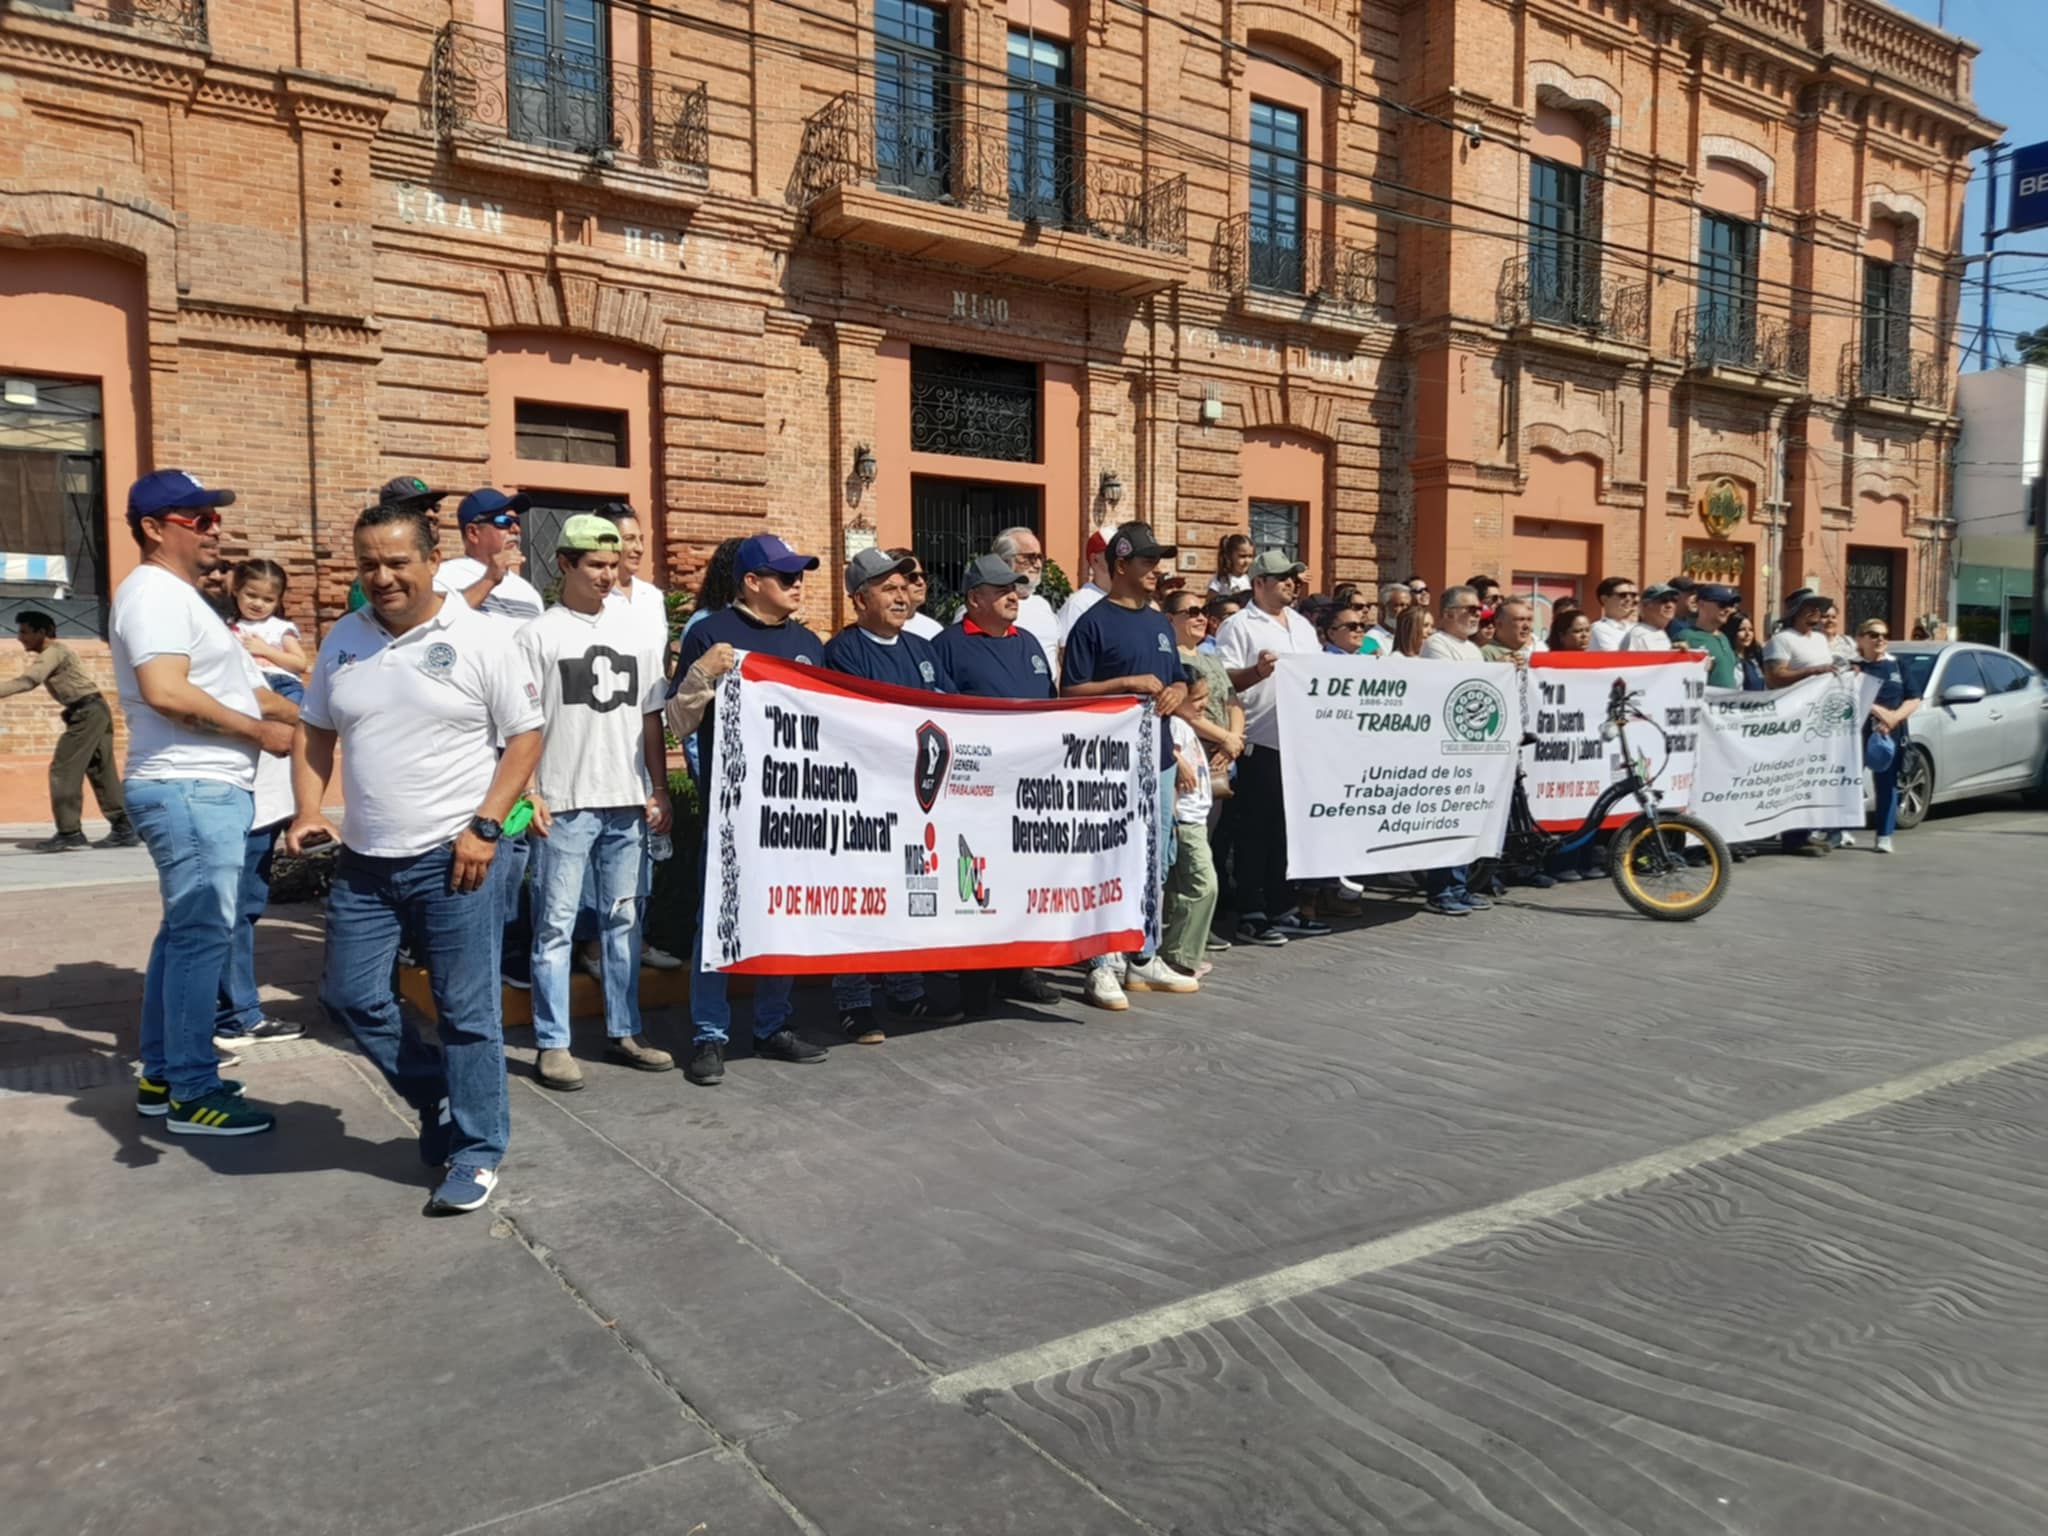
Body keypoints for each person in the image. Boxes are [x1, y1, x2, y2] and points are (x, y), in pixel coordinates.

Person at [290, 501, 541, 1213]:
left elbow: (525, 736)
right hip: (367, 861)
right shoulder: (345, 635)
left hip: (455, 856)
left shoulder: (481, 638)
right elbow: (314, 732)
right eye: (369, 564)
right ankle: (437, 1091)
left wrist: (486, 827)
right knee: (349, 995)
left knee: (467, 1012)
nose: (383, 576)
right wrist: (309, 810)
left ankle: (477, 1148)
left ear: (433, 560)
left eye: (398, 561)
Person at [115, 470, 297, 1136]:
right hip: (190, 786)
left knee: (184, 935)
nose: (213, 528)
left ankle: (164, 1074)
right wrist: (258, 733)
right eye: (197, 519)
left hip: (201, 787)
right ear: (154, 529)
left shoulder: (183, 599)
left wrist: (317, 719)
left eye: (213, 518)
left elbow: (260, 693)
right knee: (200, 938)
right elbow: (166, 690)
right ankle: (194, 1092)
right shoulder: (155, 594)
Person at [517, 515, 676, 1092]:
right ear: (564, 564)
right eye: (595, 566)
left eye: (614, 565)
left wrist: (658, 788)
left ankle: (625, 1030)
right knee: (556, 925)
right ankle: (552, 1042)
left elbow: (651, 718)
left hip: (627, 801)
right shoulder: (537, 635)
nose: (608, 576)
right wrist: (530, 791)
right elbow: (521, 724)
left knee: (623, 922)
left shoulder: (638, 631)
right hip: (563, 802)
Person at [668, 535, 830, 1083]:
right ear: (751, 582)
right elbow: (677, 720)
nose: (797, 583)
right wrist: (701, 675)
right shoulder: (712, 634)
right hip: (731, 807)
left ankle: (771, 1026)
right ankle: (709, 1035)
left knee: (783, 912)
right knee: (718, 918)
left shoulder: (810, 643)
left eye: (799, 574)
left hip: (794, 807)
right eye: (785, 576)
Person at [1061, 522, 1203, 1006]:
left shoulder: (1159, 622)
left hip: (1158, 759)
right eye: (1146, 562)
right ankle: (1103, 961)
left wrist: (1177, 689)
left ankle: (1143, 954)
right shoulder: (1092, 623)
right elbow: (1069, 692)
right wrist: (1126, 683)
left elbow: (1179, 683)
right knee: (1109, 857)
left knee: (1156, 857)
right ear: (1121, 565)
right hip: (1109, 766)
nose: (1155, 572)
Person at [822, 547, 961, 1041]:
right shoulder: (844, 650)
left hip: (917, 796)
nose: (901, 596)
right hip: (867, 799)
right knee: (862, 897)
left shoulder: (921, 651)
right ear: (860, 598)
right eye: (887, 588)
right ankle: (853, 1001)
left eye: (904, 587)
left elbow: (947, 707)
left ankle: (906, 989)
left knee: (911, 892)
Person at [933, 555, 1065, 1015]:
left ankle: (1019, 971)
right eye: (1002, 589)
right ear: (974, 599)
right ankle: (974, 986)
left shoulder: (1028, 642)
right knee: (977, 885)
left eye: (1017, 587)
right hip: (975, 792)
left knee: (1021, 881)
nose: (1014, 595)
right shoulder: (946, 644)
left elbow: (1050, 705)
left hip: (1026, 790)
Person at [1211, 549, 1330, 948]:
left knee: (1288, 831)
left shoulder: (1301, 625)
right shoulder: (1239, 625)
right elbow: (1223, 681)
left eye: (1293, 578)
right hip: (1260, 740)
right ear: (1258, 582)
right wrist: (1258, 672)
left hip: (1302, 742)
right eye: (1281, 578)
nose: (1291, 584)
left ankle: (1284, 905)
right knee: (1255, 831)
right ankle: (1251, 910)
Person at [594, 499, 683, 974]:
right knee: (601, 846)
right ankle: (591, 948)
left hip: (646, 732)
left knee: (646, 841)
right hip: (601, 738)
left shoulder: (650, 597)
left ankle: (638, 936)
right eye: (626, 539)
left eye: (639, 537)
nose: (637, 547)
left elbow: (660, 666)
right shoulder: (590, 597)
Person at [213, 632, 306, 1052]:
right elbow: (263, 702)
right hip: (242, 801)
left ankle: (231, 1011)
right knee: (231, 915)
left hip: (263, 802)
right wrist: (311, 715)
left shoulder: (259, 650)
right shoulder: (224, 645)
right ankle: (235, 1016)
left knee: (241, 912)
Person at [2, 610, 137, 852]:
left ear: (42, 632)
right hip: (94, 709)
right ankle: (123, 828)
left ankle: (69, 832)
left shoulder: (52, 652)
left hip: (86, 713)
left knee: (63, 769)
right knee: (100, 770)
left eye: (25, 632)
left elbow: (29, 680)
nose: (20, 637)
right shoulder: (57, 651)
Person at [1415, 587, 1490, 916]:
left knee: (1466, 820)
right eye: (1469, 608)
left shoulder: (1473, 648)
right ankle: (1440, 888)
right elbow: (1446, 686)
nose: (1476, 614)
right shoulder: (1437, 645)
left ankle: (1460, 885)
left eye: (1478, 609)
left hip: (1472, 745)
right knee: (1446, 821)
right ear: (1447, 613)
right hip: (1446, 746)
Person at [1762, 590, 1844, 856]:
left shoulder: (1820, 639)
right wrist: (1813, 671)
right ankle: (1792, 838)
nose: (1816, 613)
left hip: (1818, 717)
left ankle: (1806, 832)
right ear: (1795, 611)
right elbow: (1775, 677)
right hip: (1792, 718)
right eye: (1810, 607)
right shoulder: (1781, 640)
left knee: (1812, 777)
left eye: (1819, 608)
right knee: (1794, 778)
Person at [1160, 670, 1220, 980]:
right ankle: (1178, 955)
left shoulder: (1185, 726)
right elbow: (1162, 750)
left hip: (1195, 818)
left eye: (1205, 698)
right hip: (1184, 820)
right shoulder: (1172, 727)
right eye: (1196, 699)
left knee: (1178, 890)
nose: (1203, 705)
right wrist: (1176, 759)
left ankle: (1178, 949)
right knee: (1203, 886)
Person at [1855, 617, 1919, 854]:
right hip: (1859, 733)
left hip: (1891, 733)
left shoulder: (1898, 665)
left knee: (1887, 784)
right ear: (1861, 638)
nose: (1880, 638)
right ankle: (1840, 830)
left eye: (1884, 634)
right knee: (1850, 781)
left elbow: (1914, 698)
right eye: (1873, 634)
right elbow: (1850, 695)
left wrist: (1894, 719)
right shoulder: (1855, 667)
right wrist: (1880, 713)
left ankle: (1884, 834)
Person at [347, 475, 454, 614]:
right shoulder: (374, 588)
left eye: (433, 506)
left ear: (433, 561)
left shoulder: (452, 570)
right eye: (418, 509)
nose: (431, 514)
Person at [437, 488, 544, 623]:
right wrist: (489, 580)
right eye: (504, 521)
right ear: (473, 533)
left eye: (517, 521)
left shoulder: (529, 593)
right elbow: (437, 623)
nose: (516, 529)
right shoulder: (444, 577)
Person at [228, 559, 307, 703]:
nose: (258, 604)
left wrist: (266, 650)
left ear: (278, 602)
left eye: (268, 600)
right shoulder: (227, 627)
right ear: (236, 591)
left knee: (295, 721)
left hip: (283, 685)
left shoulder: (280, 627)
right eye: (251, 595)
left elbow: (300, 663)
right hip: (246, 684)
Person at [1676, 584, 1741, 688]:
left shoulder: (1724, 637)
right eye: (1722, 604)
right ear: (1702, 604)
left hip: (1727, 703)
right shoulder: (1686, 637)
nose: (1728, 609)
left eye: (1731, 605)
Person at [1056, 529, 1110, 651]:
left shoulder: (1128, 599)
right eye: (1112, 555)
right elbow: (1066, 653)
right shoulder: (1078, 604)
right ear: (1095, 559)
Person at [1588, 576, 1639, 651]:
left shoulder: (1639, 628)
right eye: (1623, 595)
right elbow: (1618, 659)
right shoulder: (1598, 628)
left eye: (1633, 595)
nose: (1629, 599)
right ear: (1604, 599)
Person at [1623, 585, 1680, 651]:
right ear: (1645, 605)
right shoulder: (1638, 635)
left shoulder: (1659, 631)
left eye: (1674, 600)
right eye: (1664, 600)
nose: (1670, 605)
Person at [1483, 596, 1535, 663]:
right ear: (1499, 624)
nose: (1527, 626)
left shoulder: (1530, 653)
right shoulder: (1484, 654)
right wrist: (1498, 666)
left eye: (1529, 620)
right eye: (1520, 620)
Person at [1210, 533, 1254, 597]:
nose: (1247, 561)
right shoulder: (1221, 579)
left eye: (1250, 556)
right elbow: (1209, 604)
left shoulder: (1252, 579)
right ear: (1229, 556)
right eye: (1242, 556)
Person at [1732, 611, 1767, 690]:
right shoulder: (1729, 659)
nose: (1748, 634)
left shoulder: (1756, 656)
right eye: (1742, 629)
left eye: (1751, 629)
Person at [1370, 583, 1410, 650]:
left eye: (1408, 606)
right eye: (1400, 605)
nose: (1405, 610)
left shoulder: (1410, 637)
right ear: (1383, 608)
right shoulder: (1369, 640)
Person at [1665, 576, 1701, 640]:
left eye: (1696, 593)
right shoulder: (1672, 626)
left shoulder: (1687, 623)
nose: (1696, 598)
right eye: (1691, 593)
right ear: (1675, 596)